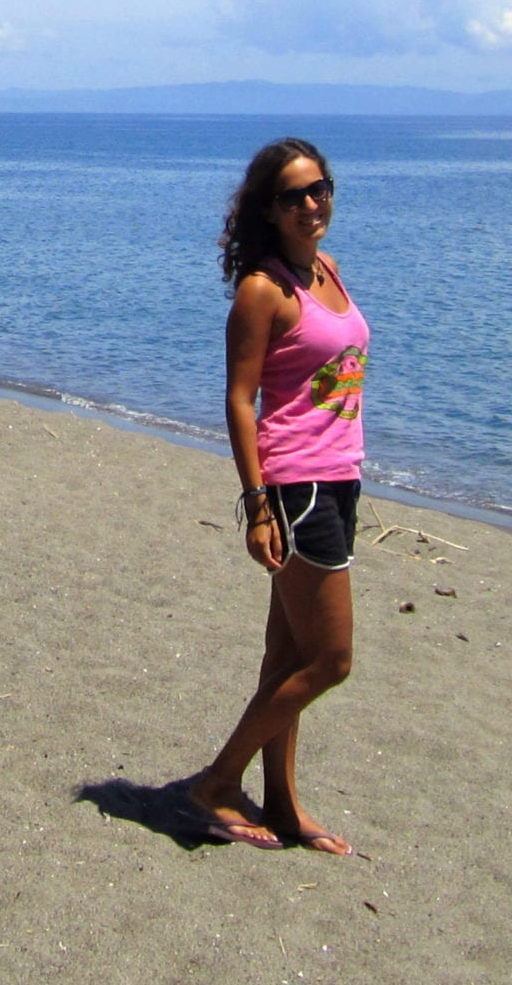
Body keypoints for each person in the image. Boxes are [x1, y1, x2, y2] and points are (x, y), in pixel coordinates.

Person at [186, 137, 368, 855]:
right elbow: (239, 400)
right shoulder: (263, 289)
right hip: (297, 487)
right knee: (330, 662)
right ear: (269, 208)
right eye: (294, 195)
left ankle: (284, 807)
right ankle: (218, 782)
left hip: (342, 478)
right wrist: (256, 503)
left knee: (285, 660)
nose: (311, 203)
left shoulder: (327, 270)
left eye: (319, 187)